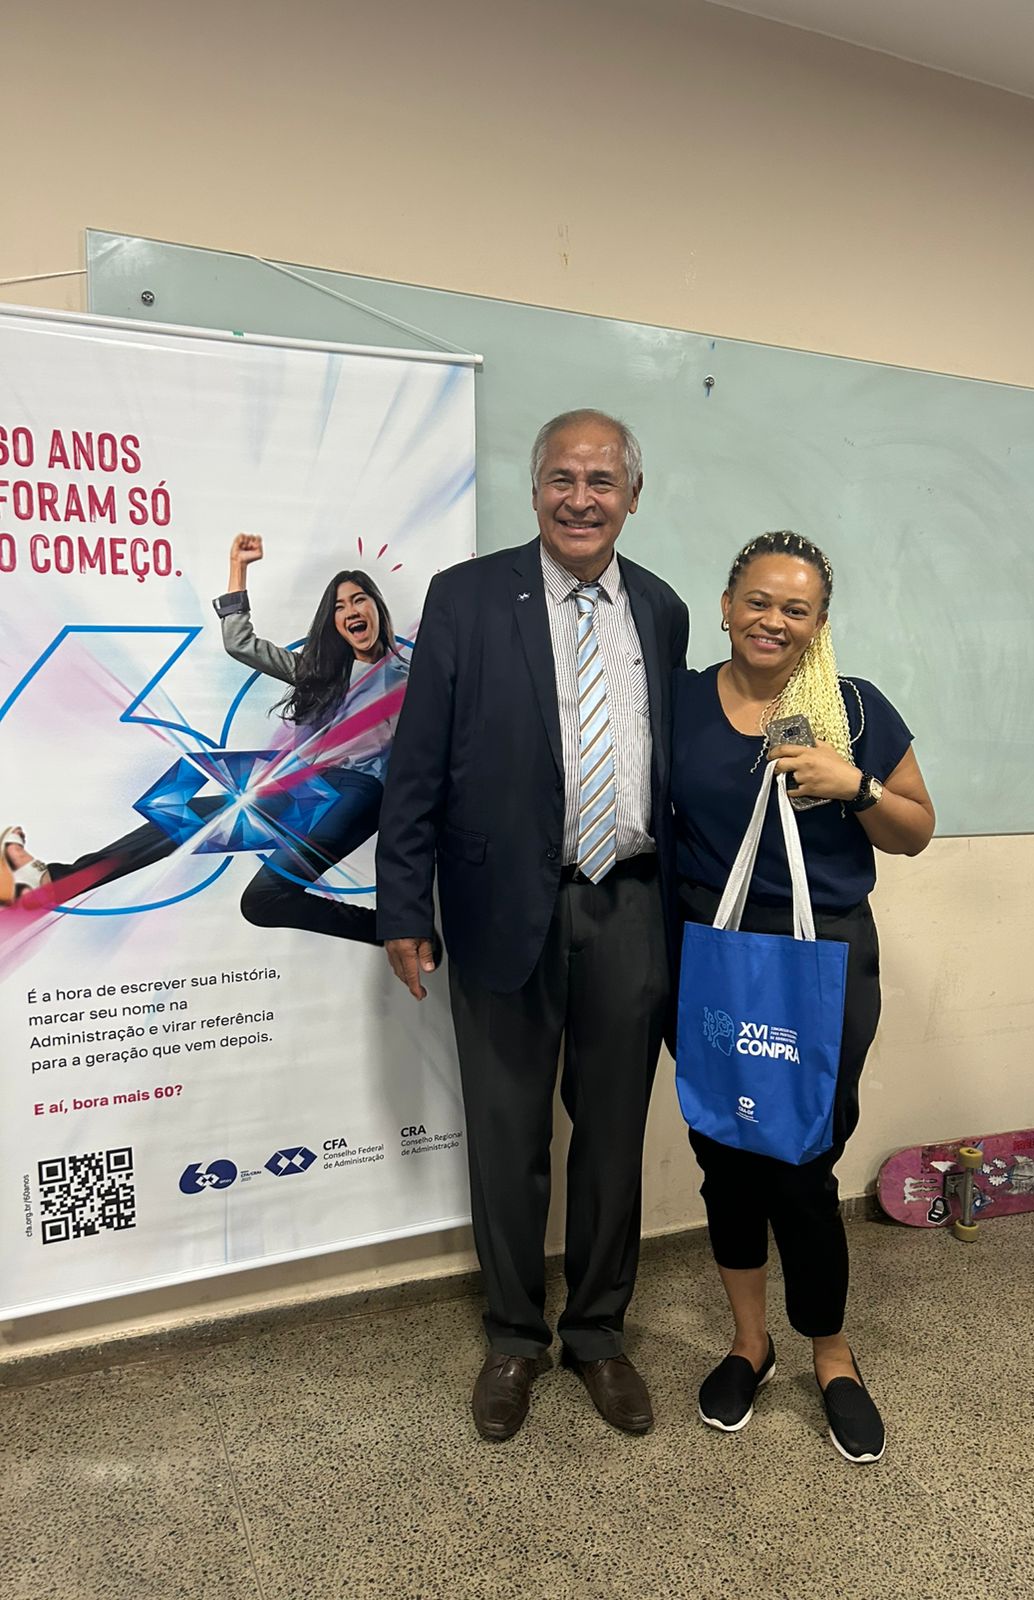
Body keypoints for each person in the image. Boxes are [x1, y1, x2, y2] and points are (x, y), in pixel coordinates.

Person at [377, 409, 688, 1442]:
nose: (580, 499)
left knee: (613, 1136)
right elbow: (416, 763)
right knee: (508, 1135)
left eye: (602, 481)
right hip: (501, 903)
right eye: (563, 477)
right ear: (536, 488)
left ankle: (598, 1333)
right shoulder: (466, 597)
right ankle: (514, 1336)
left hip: (631, 903)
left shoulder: (664, 609)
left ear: (632, 495)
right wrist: (402, 905)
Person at [670, 530, 934, 1463]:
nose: (772, 620)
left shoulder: (852, 709)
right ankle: (750, 1344)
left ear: (819, 623)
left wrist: (854, 784)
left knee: (802, 1166)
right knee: (725, 1154)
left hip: (822, 960)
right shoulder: (683, 701)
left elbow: (915, 830)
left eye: (796, 608)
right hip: (712, 954)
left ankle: (831, 1353)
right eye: (757, 600)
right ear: (726, 604)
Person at [2, 535, 405, 944]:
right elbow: (240, 643)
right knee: (184, 820)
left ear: (376, 607)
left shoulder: (409, 678)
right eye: (339, 606)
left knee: (262, 899)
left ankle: (398, 928)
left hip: (361, 791)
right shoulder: (319, 673)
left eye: (359, 600)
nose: (351, 611)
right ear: (334, 623)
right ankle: (58, 881)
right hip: (309, 788)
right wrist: (238, 568)